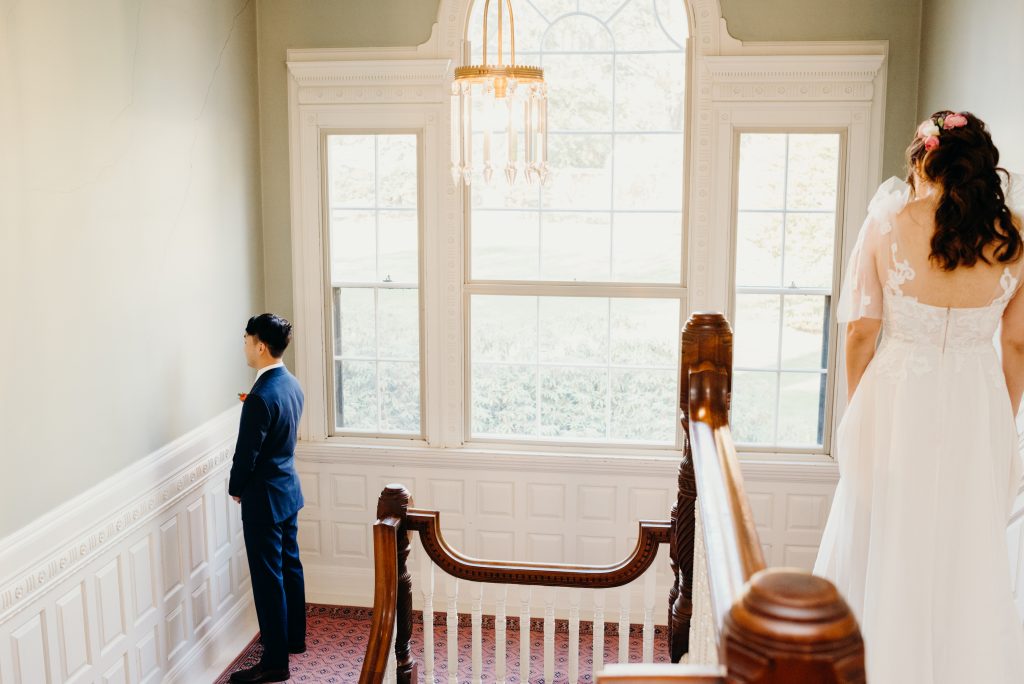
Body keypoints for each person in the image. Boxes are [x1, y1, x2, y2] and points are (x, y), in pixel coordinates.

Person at [814, 111, 1024, 682]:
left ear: (923, 159)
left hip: (900, 401)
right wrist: (999, 420)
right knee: (963, 549)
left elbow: (859, 330)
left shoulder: (887, 224)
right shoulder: (1017, 236)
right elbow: (1017, 344)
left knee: (888, 538)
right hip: (977, 404)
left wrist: (858, 411)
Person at [228, 314, 306, 684]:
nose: (243, 345)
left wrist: (236, 488)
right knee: (290, 566)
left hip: (263, 499)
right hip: (288, 492)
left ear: (260, 345)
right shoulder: (291, 384)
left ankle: (275, 662)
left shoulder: (260, 397)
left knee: (267, 578)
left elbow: (247, 455)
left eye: (246, 339)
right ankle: (294, 639)